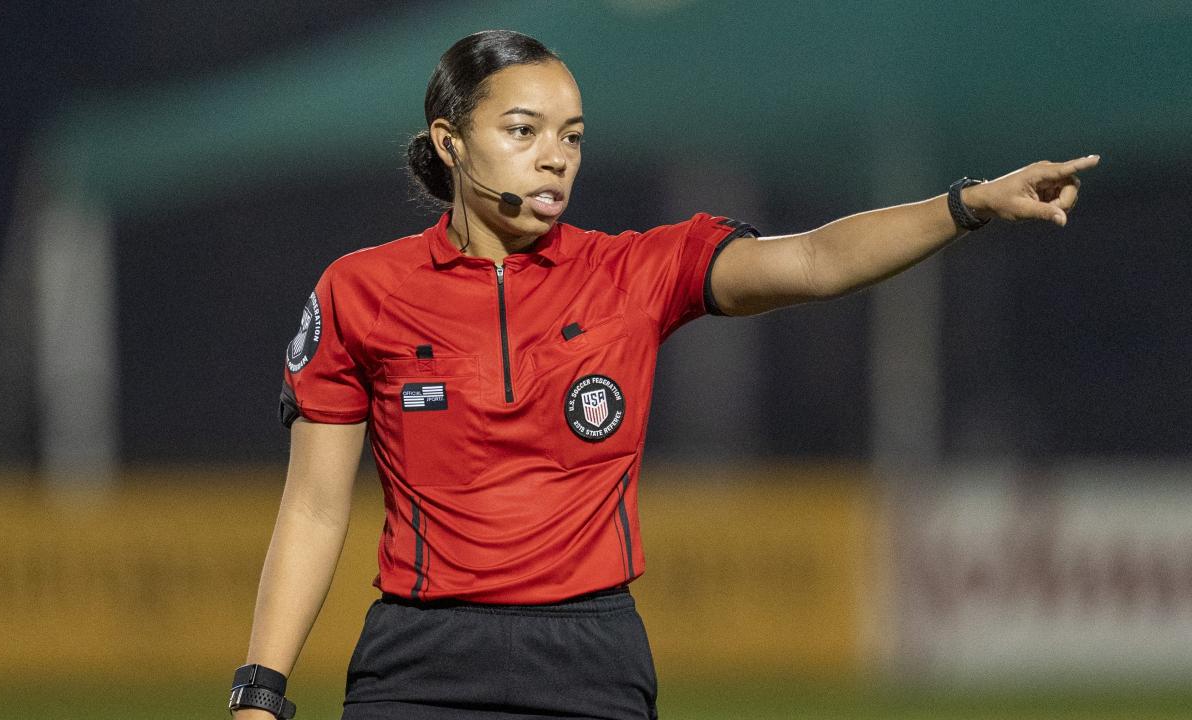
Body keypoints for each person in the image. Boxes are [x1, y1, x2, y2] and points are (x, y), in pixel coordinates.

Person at [228, 29, 1098, 720]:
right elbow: (313, 504)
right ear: (452, 144)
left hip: (589, 661)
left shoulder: (636, 271)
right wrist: (261, 690)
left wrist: (969, 204)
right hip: (416, 665)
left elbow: (817, 260)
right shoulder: (361, 291)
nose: (555, 157)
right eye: (522, 132)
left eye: (570, 136)